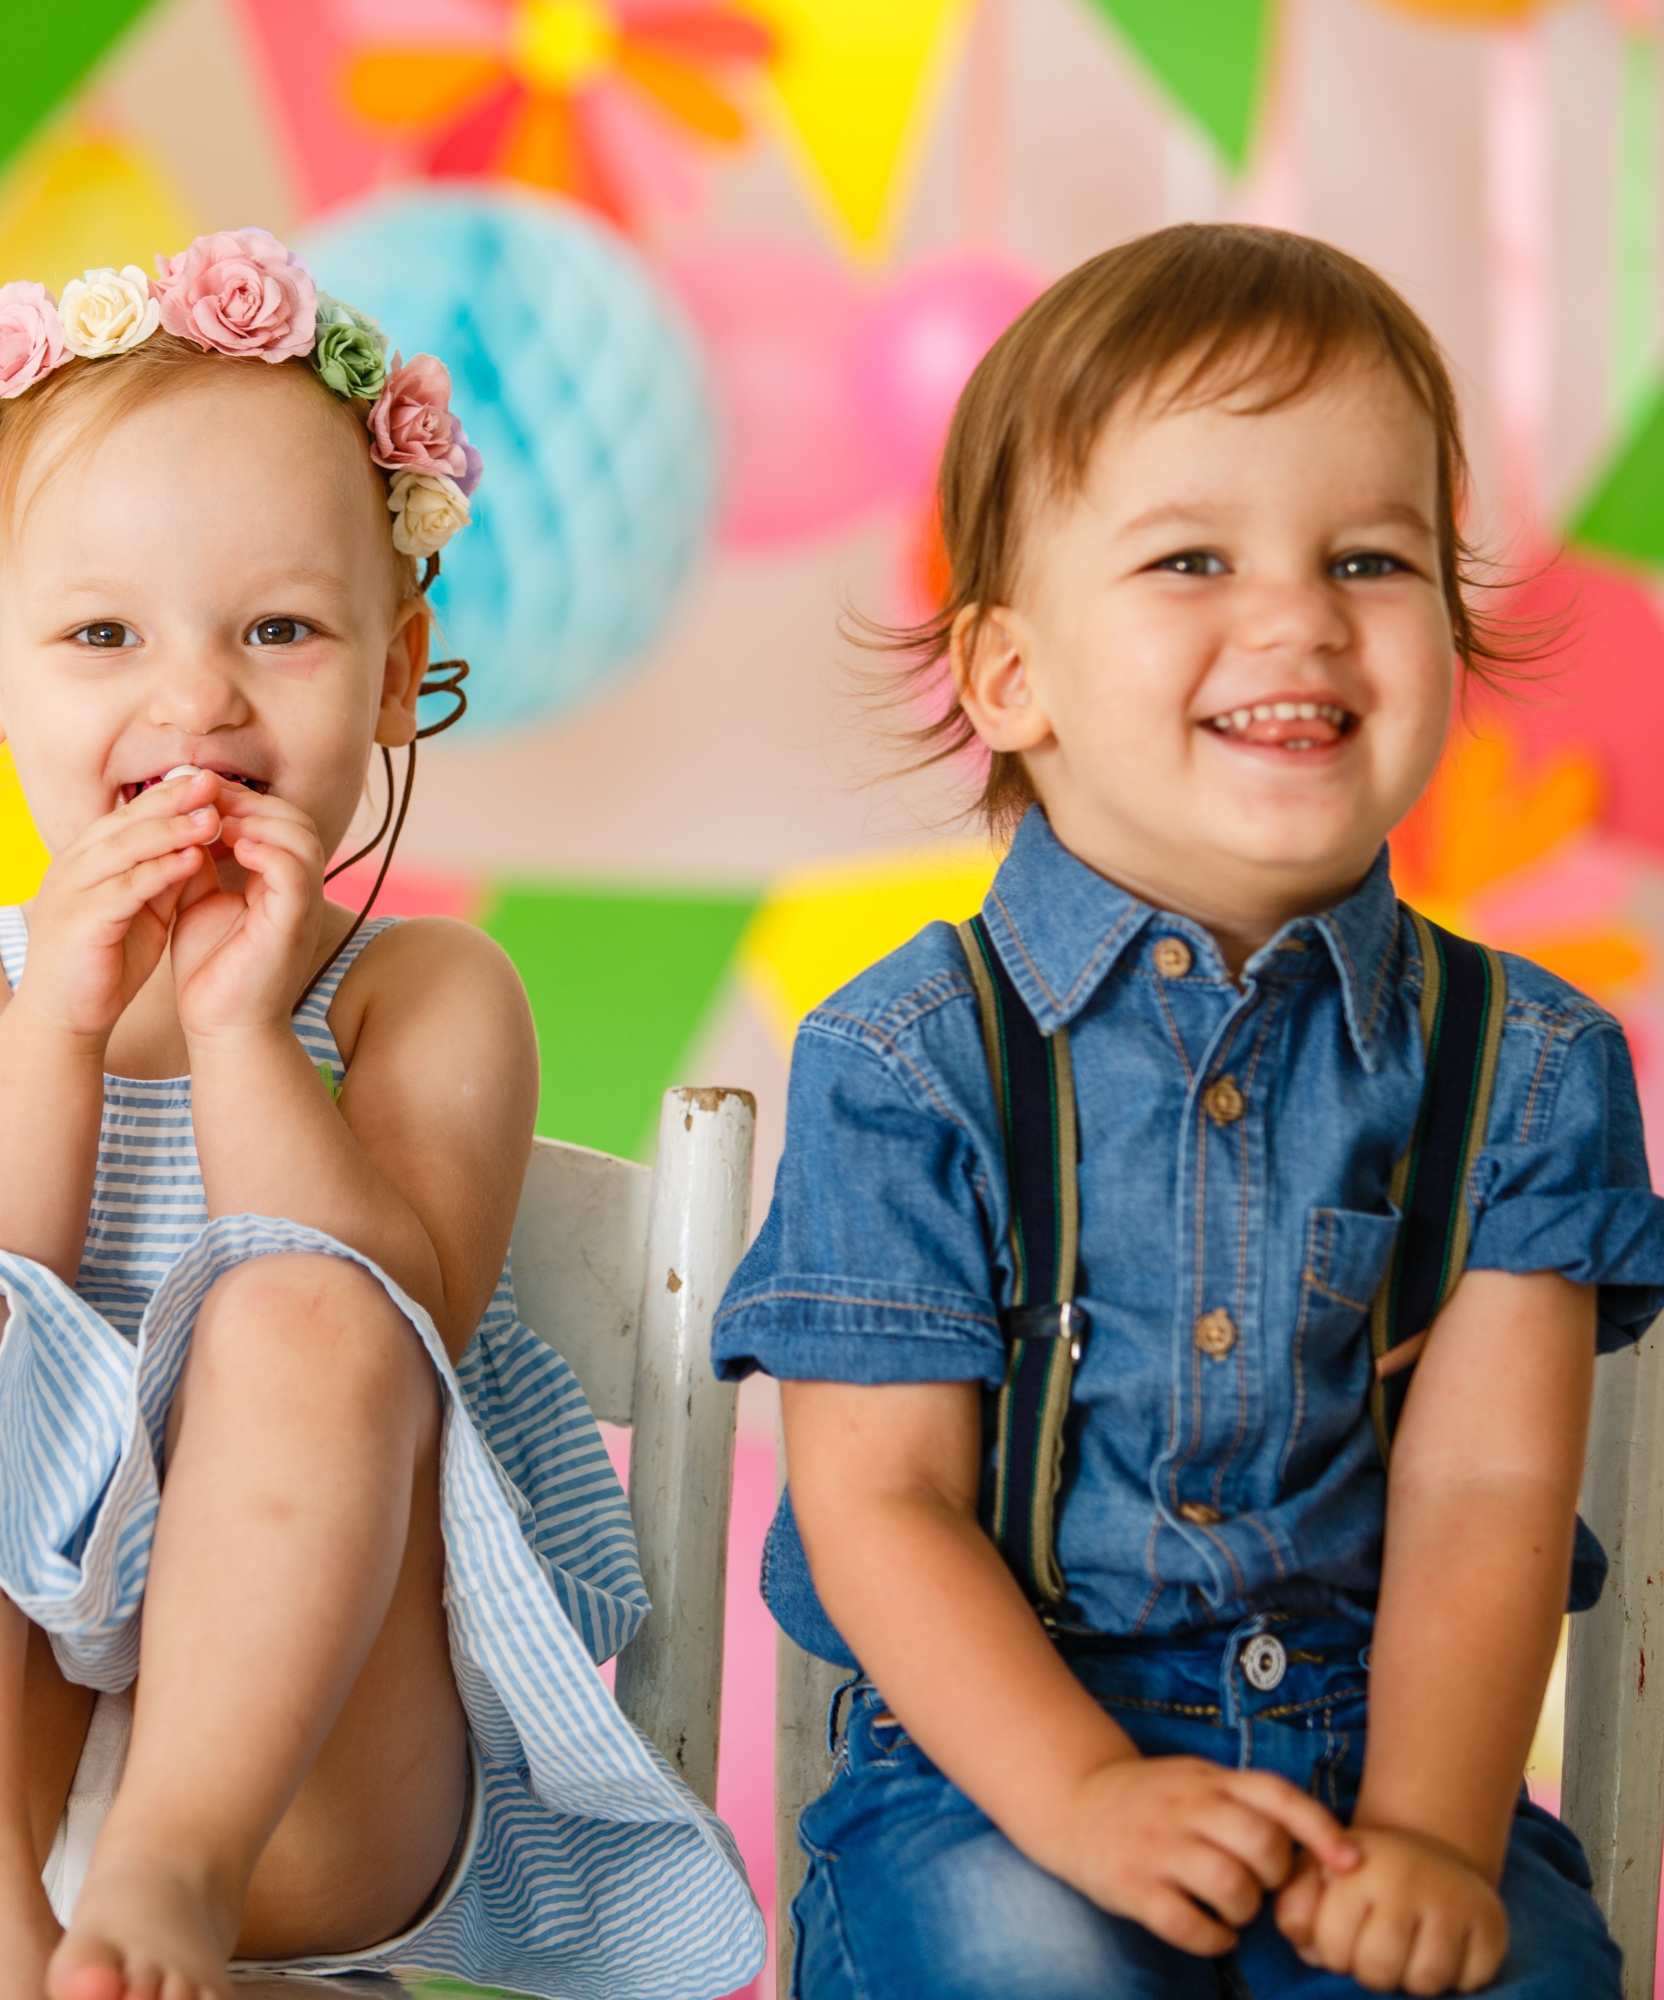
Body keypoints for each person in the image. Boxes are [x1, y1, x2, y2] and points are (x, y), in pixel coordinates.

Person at [0, 232, 761, 2000]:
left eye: (279, 629)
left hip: (309, 1798)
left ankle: (166, 1869)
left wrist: (251, 1029)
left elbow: (408, 1322)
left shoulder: (429, 996)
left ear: (399, 671)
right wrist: (69, 1020)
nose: (196, 699)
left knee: (310, 1305)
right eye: (102, 634)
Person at [713, 223, 1664, 1999]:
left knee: (1513, 1978)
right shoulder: (913, 1059)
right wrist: (1083, 1799)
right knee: (1030, 1970)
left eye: (1372, 557)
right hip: (993, 1773)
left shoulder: (1525, 1064)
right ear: (1013, 678)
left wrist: (1438, 1839)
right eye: (1194, 558)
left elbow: (1486, 1487)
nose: (1296, 613)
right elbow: (888, 1507)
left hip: (1389, 1761)